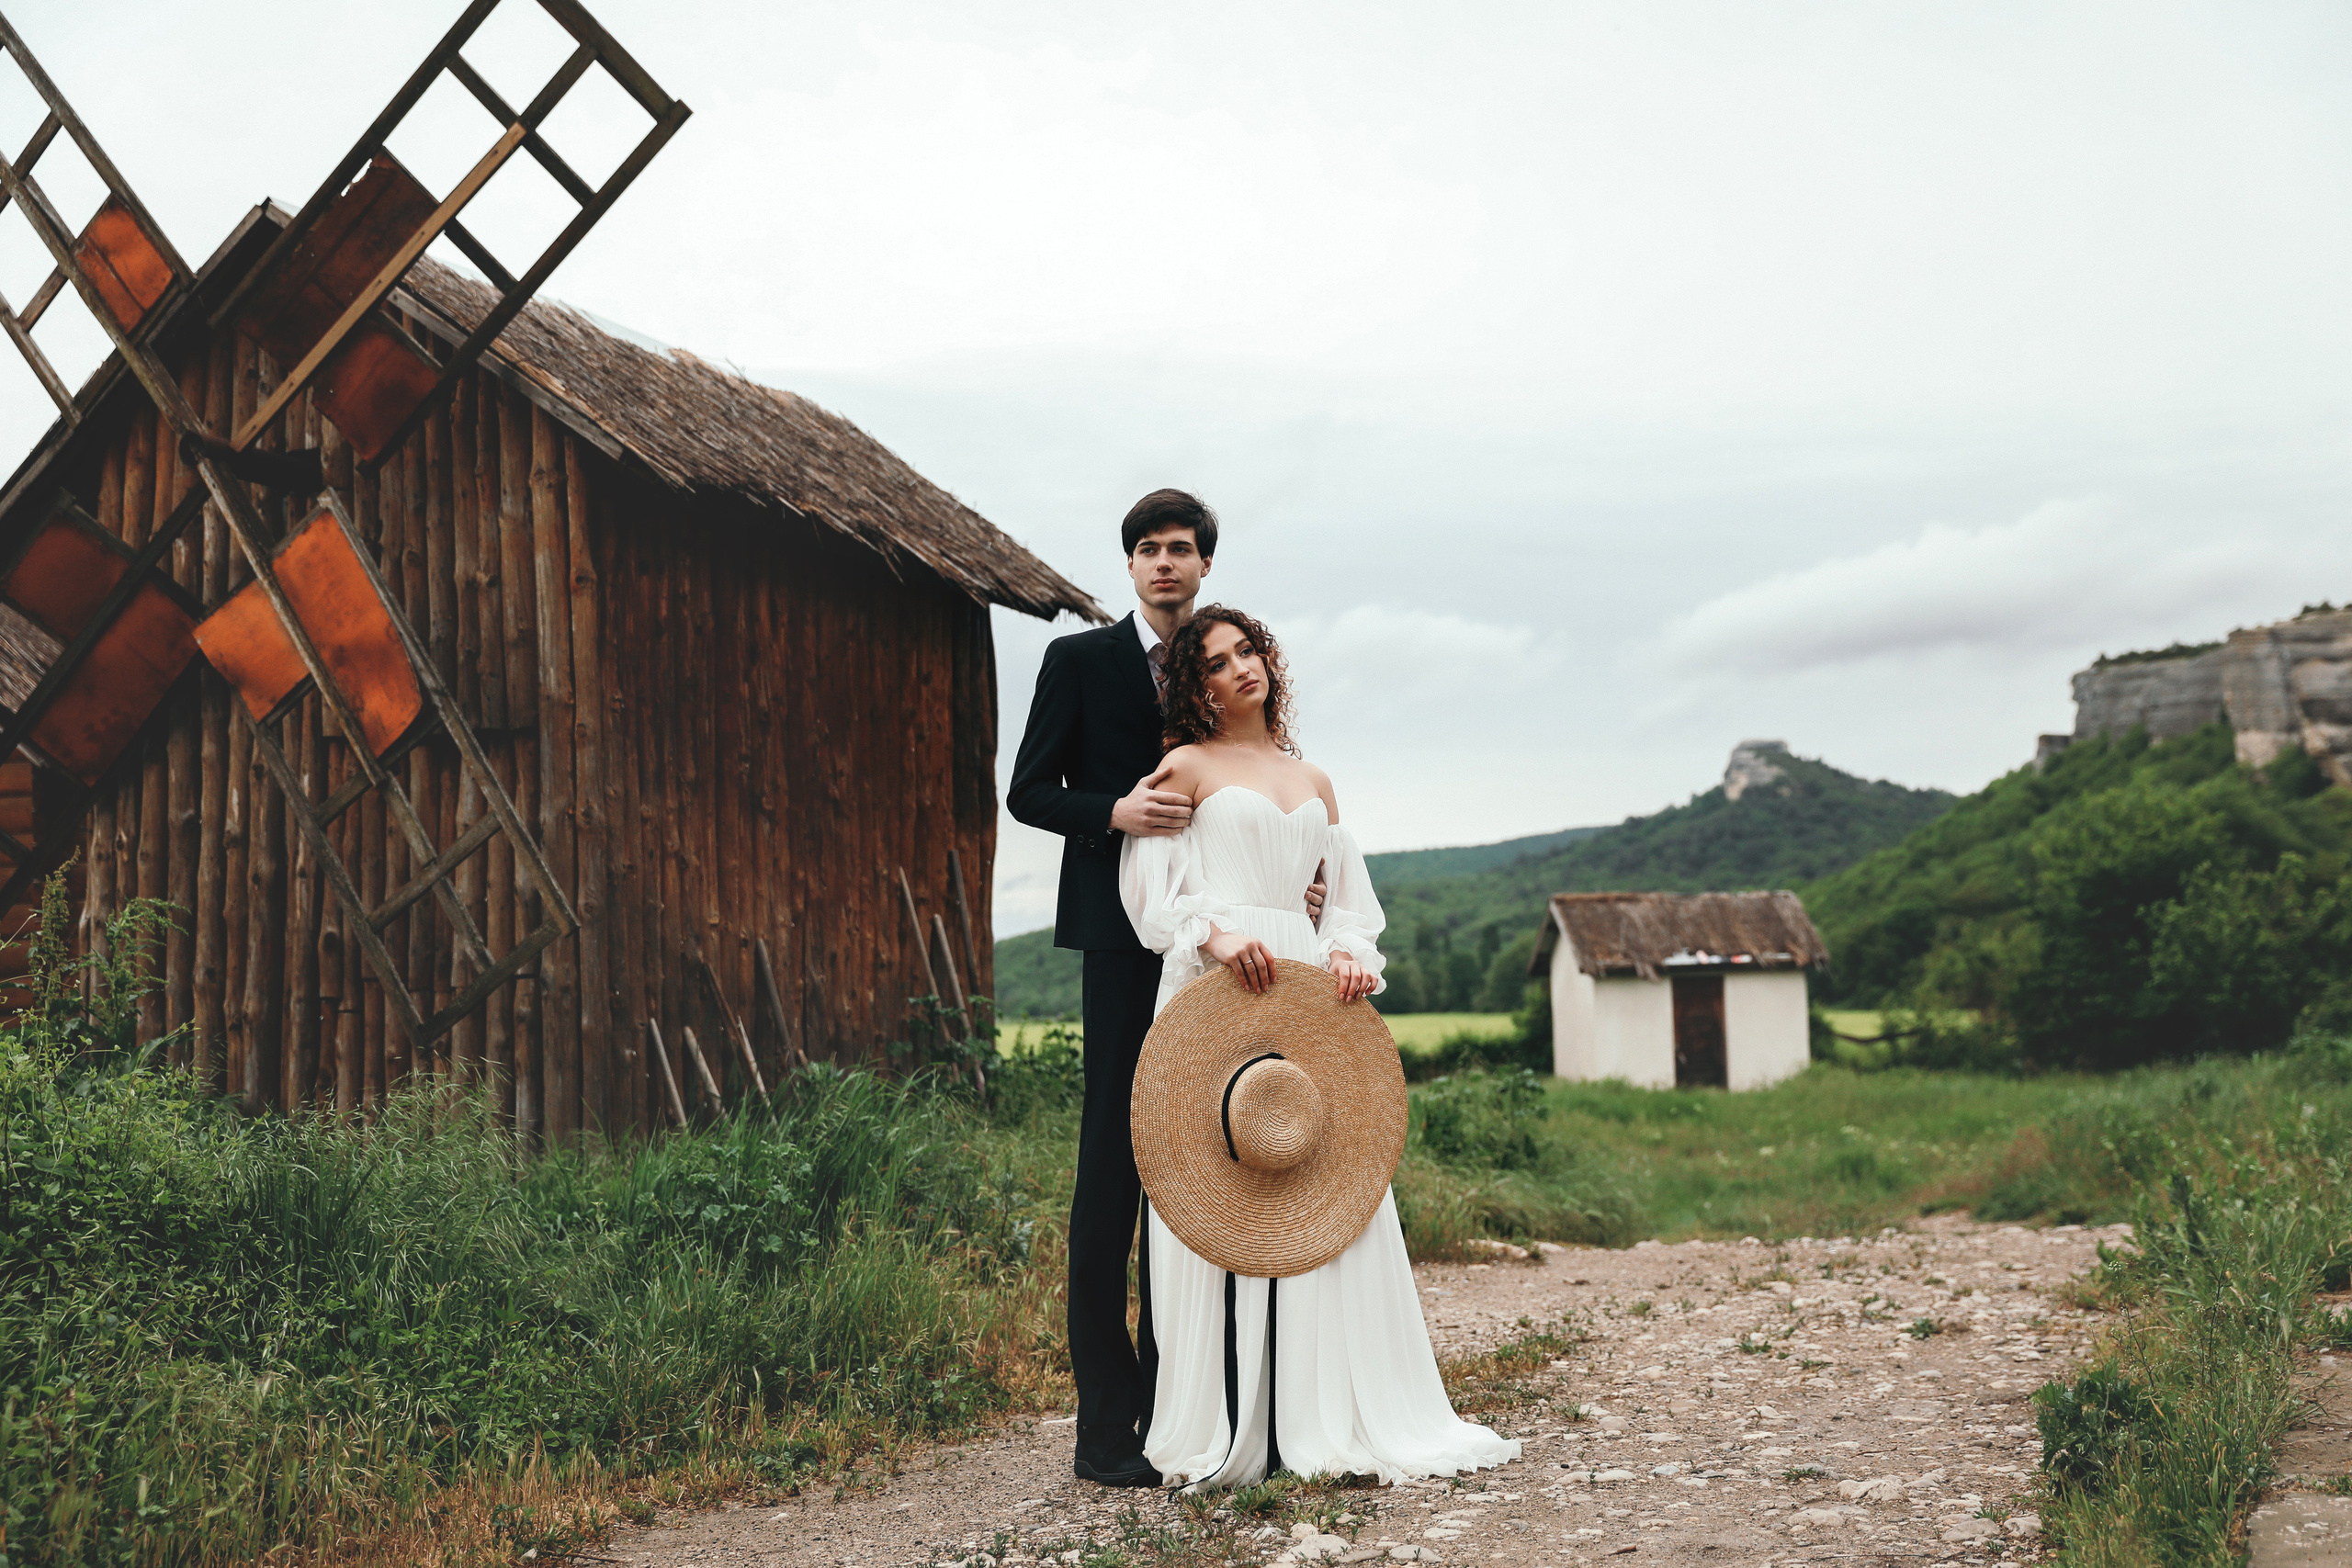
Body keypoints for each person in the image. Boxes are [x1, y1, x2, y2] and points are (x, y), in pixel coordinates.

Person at [1120, 605, 1519, 1488]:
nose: (1241, 668)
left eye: (1249, 650)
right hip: (1215, 981)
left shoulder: (1316, 778)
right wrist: (1214, 937)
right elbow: (1154, 890)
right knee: (1217, 1177)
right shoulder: (1183, 765)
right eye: (1217, 662)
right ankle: (1226, 1421)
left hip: (1299, 980)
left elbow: (1347, 901)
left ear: (1268, 661)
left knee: (1320, 1173)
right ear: (1198, 686)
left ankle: (1324, 1407)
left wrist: (1347, 952)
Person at [1007, 491, 1324, 1487]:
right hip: (1122, 942)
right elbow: (1028, 790)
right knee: (1115, 1165)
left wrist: (1297, 869)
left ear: (1203, 564)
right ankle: (1106, 1428)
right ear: (1132, 566)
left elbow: (1266, 788)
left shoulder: (1224, 667)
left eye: (1179, 548)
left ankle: (1202, 1410)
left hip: (1234, 950)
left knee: (1217, 1162)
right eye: (1145, 549)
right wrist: (1116, 810)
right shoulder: (1080, 663)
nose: (1162, 563)